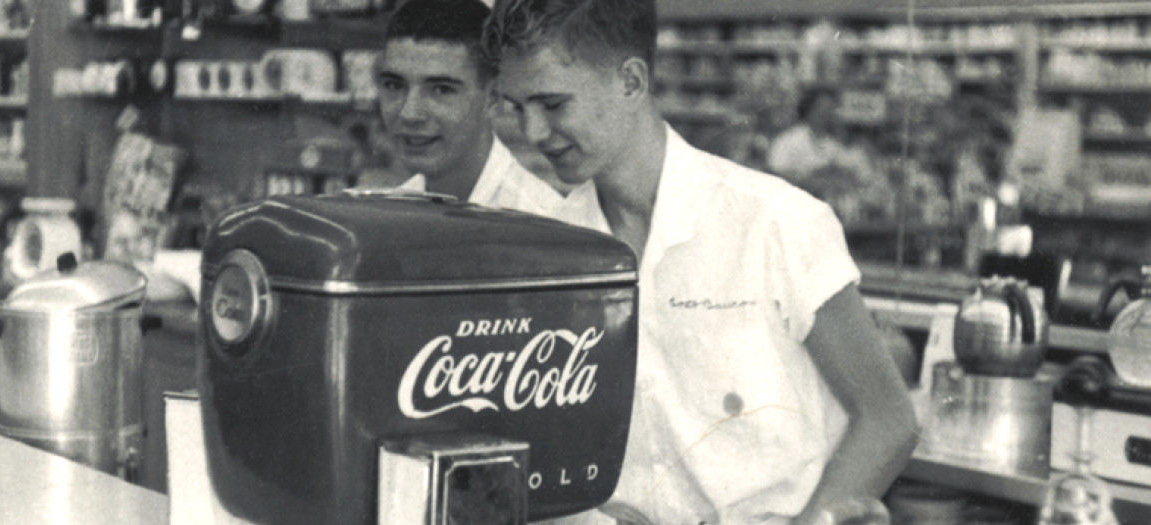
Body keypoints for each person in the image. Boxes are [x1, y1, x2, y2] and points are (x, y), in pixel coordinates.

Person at [482, 1, 919, 524]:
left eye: (552, 104)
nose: (531, 132)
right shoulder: (551, 245)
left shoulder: (775, 221)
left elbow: (888, 419)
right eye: (516, 107)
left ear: (631, 81)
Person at [376, 0, 606, 230]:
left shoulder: (540, 228)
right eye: (394, 85)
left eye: (442, 89)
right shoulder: (388, 216)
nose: (409, 113)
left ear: (493, 97)